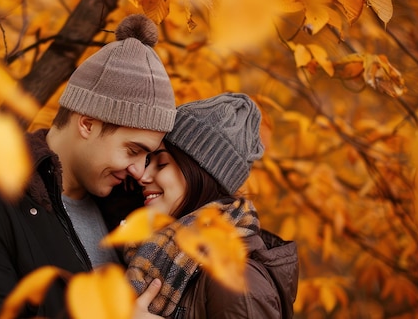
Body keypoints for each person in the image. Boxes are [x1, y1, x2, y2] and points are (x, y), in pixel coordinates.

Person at [0, 14, 176, 318]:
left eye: (148, 157)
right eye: (132, 150)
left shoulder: (124, 209)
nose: (139, 172)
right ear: (87, 124)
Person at [121, 93, 299, 318]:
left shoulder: (238, 282)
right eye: (148, 162)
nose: (143, 176)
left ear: (201, 174)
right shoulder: (158, 254)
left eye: (162, 163)